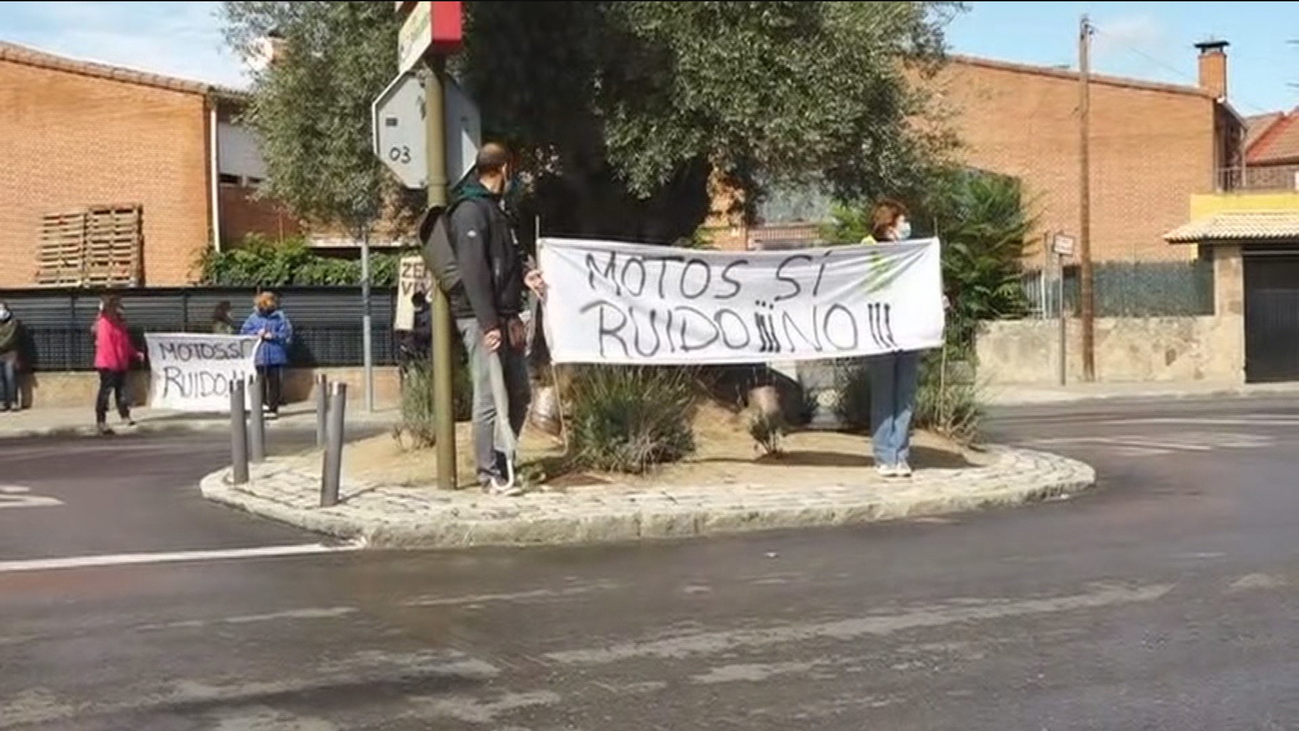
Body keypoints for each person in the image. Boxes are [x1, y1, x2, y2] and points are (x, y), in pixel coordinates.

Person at [446, 142, 546, 493]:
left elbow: (509, 257)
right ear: (504, 169)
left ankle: (505, 460)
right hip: (481, 318)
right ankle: (487, 473)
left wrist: (526, 274)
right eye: (512, 170)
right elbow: (473, 271)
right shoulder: (469, 212)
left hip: (507, 315)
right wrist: (489, 325)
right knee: (488, 397)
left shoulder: (498, 211)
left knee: (519, 393)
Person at [863, 199, 921, 478]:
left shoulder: (912, 252)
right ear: (889, 225)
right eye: (902, 222)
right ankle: (884, 455)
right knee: (884, 395)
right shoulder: (867, 248)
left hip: (908, 329)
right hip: (880, 331)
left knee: (905, 395)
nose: (907, 227)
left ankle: (901, 454)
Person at [92, 295, 143, 435]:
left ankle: (124, 415)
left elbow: (124, 342)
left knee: (121, 391)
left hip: (120, 363)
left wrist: (134, 354)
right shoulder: (104, 324)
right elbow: (106, 346)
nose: (119, 310)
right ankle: (101, 421)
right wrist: (114, 364)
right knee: (105, 392)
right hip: (108, 365)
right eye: (116, 307)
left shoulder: (119, 324)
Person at [240, 292, 293, 419]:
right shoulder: (253, 318)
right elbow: (244, 332)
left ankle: (273, 408)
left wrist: (273, 335)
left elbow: (287, 334)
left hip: (275, 355)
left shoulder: (280, 317)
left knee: (274, 384)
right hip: (259, 356)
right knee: (260, 383)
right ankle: (262, 406)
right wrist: (256, 333)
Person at [0, 301, 21, 412]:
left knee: (10, 377)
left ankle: (13, 401)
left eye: (2, 308)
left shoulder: (13, 323)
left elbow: (10, 338)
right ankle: (2, 402)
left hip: (10, 353)